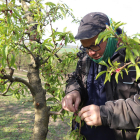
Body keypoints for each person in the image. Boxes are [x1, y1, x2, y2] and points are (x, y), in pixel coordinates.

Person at [62, 12, 140, 140]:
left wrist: (106, 114)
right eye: (86, 47)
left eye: (94, 45)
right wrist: (73, 91)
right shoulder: (85, 58)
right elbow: (75, 78)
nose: (91, 52)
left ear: (109, 35)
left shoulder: (133, 59)